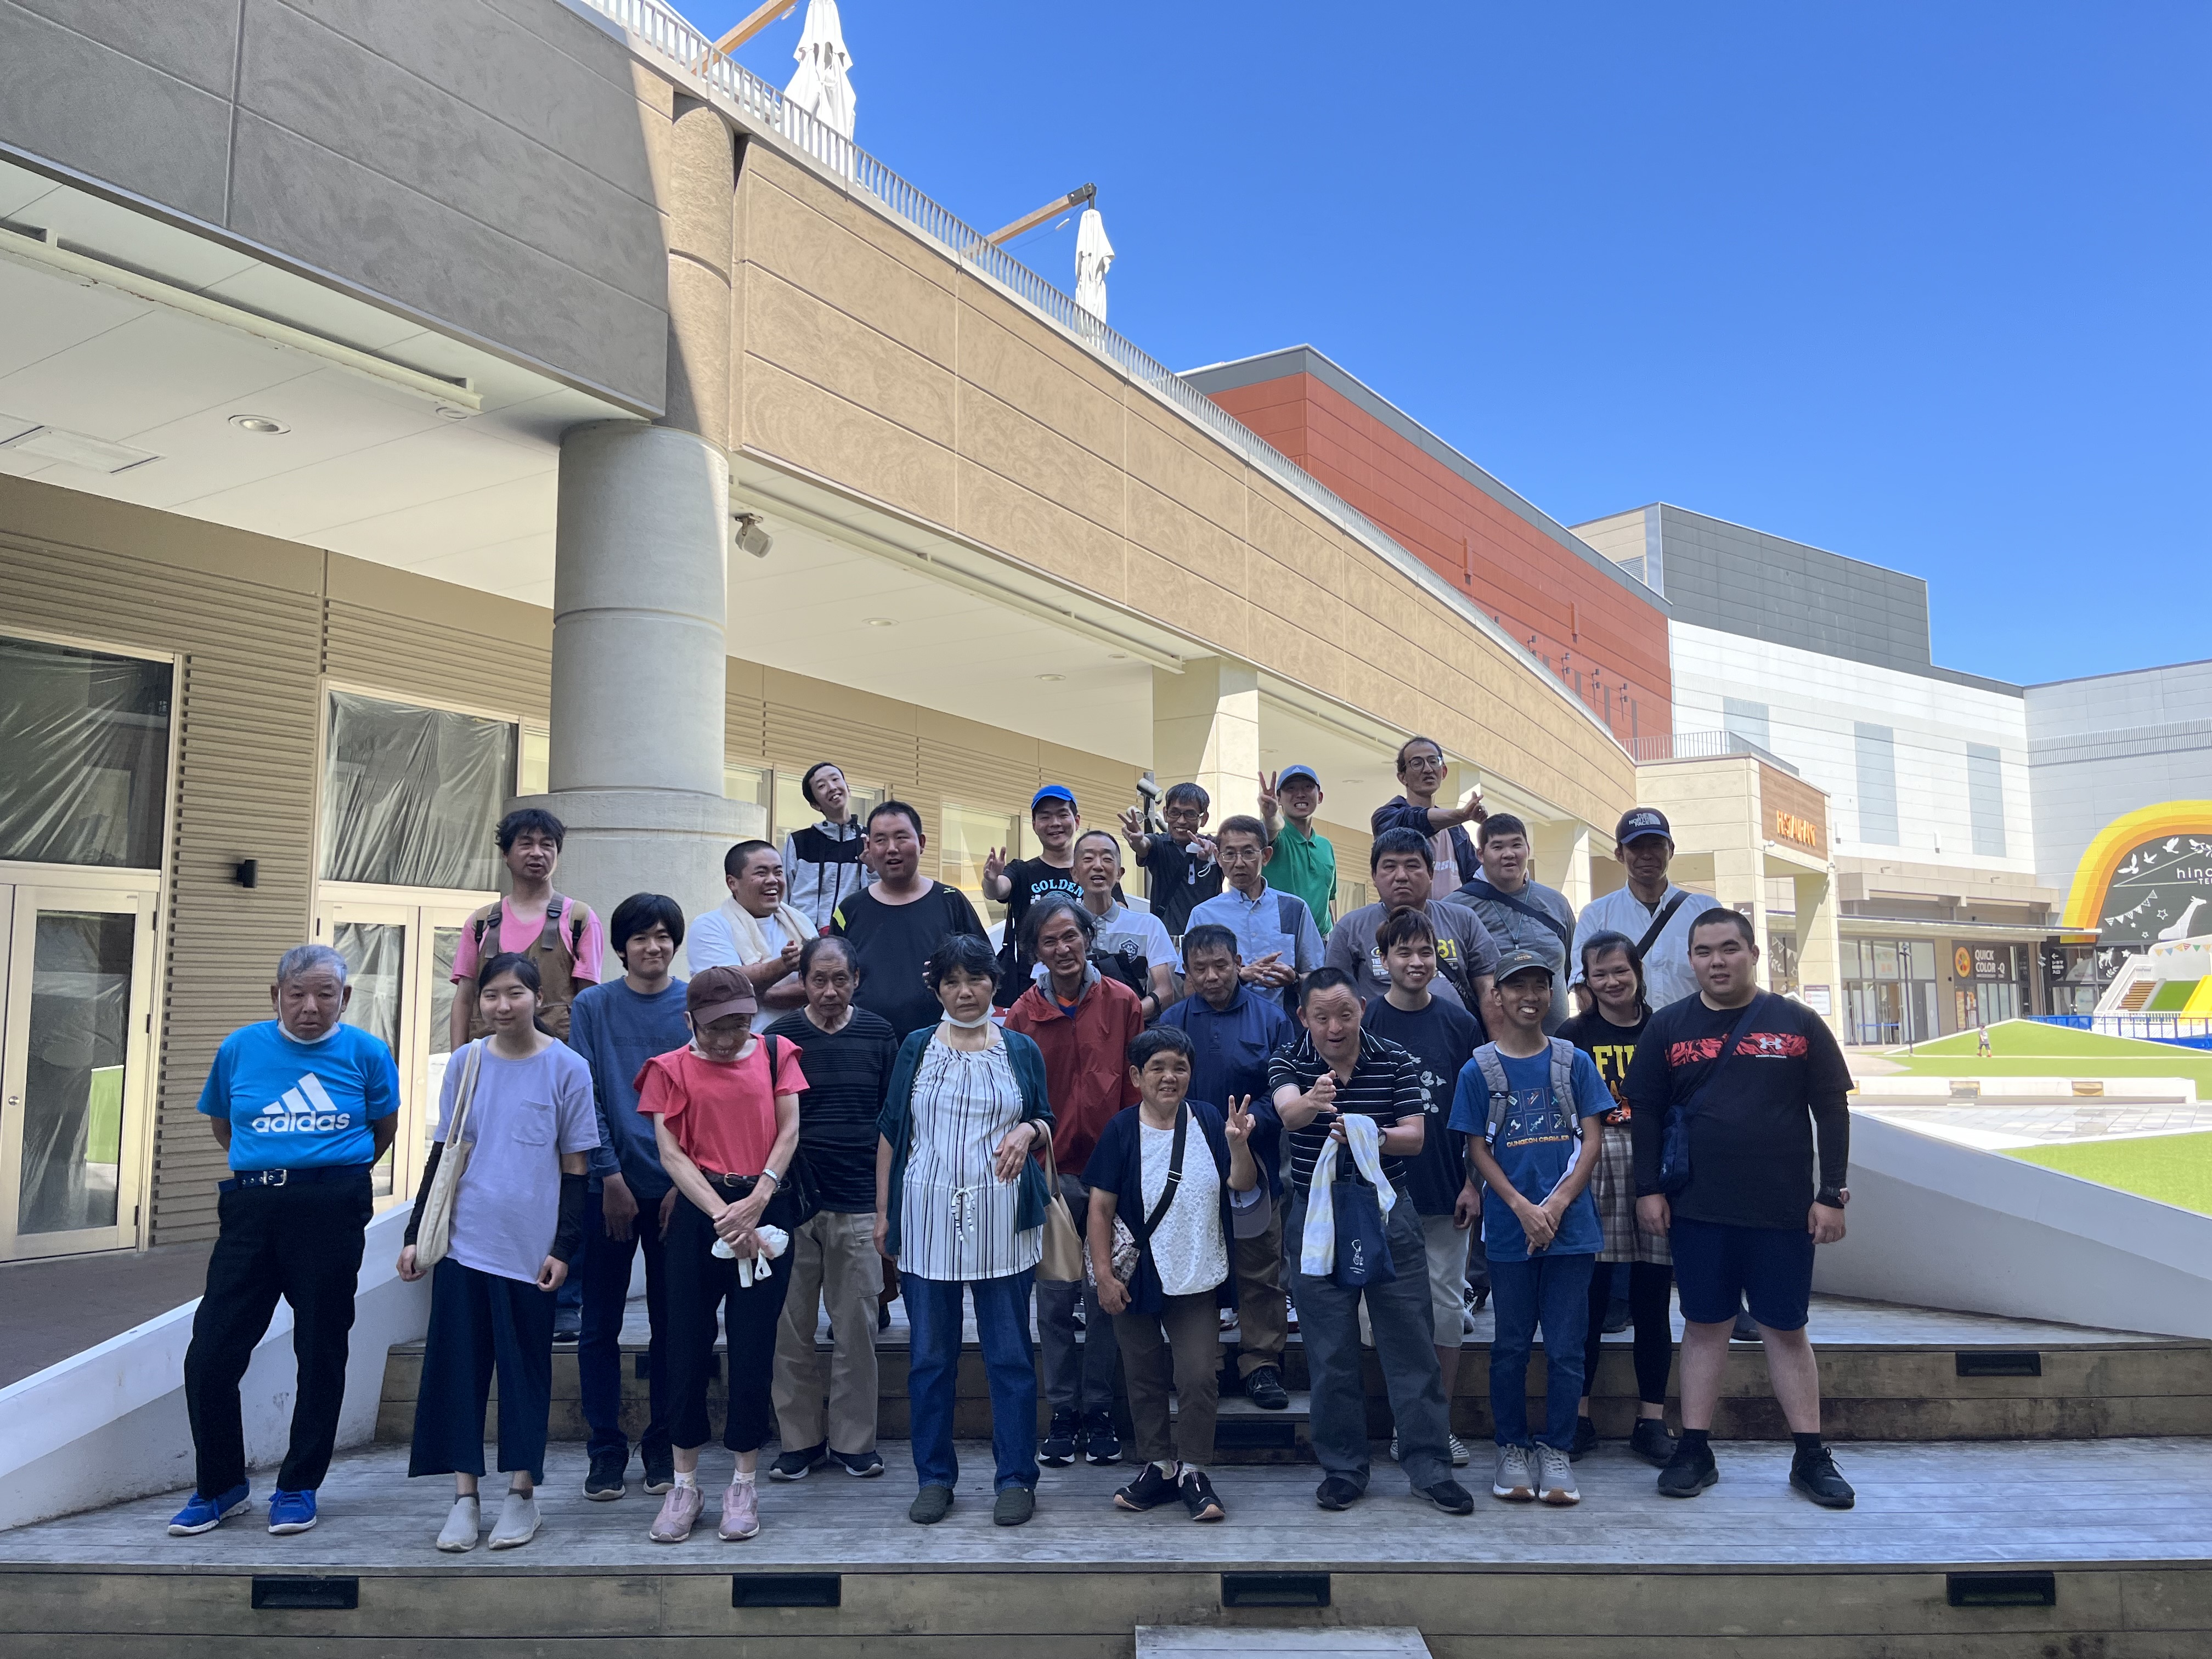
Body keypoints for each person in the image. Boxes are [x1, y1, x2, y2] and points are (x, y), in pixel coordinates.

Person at [1626, 911, 1857, 1510]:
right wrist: (1648, 1189)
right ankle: (1694, 1449)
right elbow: (1644, 1114)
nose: (1717, 961)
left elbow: (1832, 1110)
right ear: (1691, 960)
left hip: (1783, 1211)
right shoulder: (1668, 1028)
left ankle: (1811, 1455)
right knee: (1704, 1328)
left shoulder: (1798, 1023)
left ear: (1754, 953)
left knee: (1786, 1330)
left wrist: (1831, 1193)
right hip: (1698, 1209)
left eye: (1730, 949)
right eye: (1704, 951)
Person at [169, 945, 400, 1539]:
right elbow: (225, 1125)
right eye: (297, 994)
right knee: (211, 1353)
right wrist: (273, 1171)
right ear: (276, 996)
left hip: (331, 1209)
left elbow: (384, 1130)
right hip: (251, 1210)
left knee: (320, 1350)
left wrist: (328, 1177)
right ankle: (220, 1486)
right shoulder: (239, 1048)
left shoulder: (368, 1053)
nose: (310, 1006)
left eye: (325, 994)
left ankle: (298, 1486)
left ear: (346, 998)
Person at [400, 953, 597, 1553]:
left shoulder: (568, 1068)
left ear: (538, 998)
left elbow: (577, 1169)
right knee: (457, 1373)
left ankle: (521, 1493)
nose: (502, 1005)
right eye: (491, 995)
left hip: (530, 1251)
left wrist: (564, 1247)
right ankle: (465, 1497)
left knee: (524, 1373)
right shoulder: (466, 1062)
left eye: (515, 993)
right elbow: (443, 1152)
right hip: (464, 1243)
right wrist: (415, 1234)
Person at [1268, 968, 1474, 1516]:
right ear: (1304, 1017)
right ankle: (1344, 1469)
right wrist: (1314, 1100)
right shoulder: (1289, 1060)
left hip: (1387, 1211)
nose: (1334, 1027)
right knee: (1330, 1349)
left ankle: (1429, 1466)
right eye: (1321, 1017)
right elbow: (1288, 1115)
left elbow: (1415, 1137)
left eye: (1344, 1014)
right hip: (1316, 1214)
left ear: (1362, 1008)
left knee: (1411, 1340)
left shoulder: (1395, 1058)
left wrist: (1370, 1133)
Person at [876, 934, 1057, 1528]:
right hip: (925, 1216)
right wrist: (884, 1214)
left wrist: (1029, 1130)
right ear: (937, 989)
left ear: (994, 983)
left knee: (1010, 1357)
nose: (964, 991)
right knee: (930, 1359)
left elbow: (1046, 1118)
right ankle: (934, 1478)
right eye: (951, 981)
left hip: (1003, 1220)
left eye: (975, 978)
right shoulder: (916, 1047)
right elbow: (892, 1130)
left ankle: (1016, 1478)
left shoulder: (1020, 1048)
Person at [640, 967, 806, 1545]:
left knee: (754, 1345)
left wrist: (758, 1199)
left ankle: (743, 1480)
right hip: (700, 1212)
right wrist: (724, 1215)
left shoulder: (777, 1055)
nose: (727, 1037)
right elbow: (672, 1154)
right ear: (690, 1021)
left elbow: (789, 1131)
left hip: (766, 1204)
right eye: (714, 1027)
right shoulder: (669, 1068)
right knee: (684, 1345)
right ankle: (685, 1483)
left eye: (738, 1023)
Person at [1088, 1027, 1265, 1524]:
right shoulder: (1121, 1130)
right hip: (1137, 1275)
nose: (1170, 1077)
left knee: (1198, 1376)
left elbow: (1242, 1183)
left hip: (1198, 1271)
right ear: (1136, 1076)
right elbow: (1099, 1209)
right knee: (1142, 1375)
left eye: (1180, 1068)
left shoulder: (1208, 1120)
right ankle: (1158, 1465)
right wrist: (1103, 1275)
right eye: (1158, 1068)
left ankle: (1194, 1469)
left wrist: (1238, 1145)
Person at [1451, 950, 1607, 1509]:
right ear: (1497, 995)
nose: (1530, 997)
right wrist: (1522, 1208)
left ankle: (1557, 1448)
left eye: (1540, 985)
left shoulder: (1573, 1063)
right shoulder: (1479, 1070)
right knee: (1511, 1345)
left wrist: (1557, 1205)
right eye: (1517, 987)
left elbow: (1592, 1137)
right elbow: (1476, 1148)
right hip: (1509, 1229)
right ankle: (1511, 1447)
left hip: (1572, 1228)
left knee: (1566, 1347)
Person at [1005, 896, 1146, 1468]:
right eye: (1049, 941)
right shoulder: (1023, 1014)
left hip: (1110, 1174)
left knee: (1106, 1294)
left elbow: (1134, 1090)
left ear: (1089, 938)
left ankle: (1100, 1409)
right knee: (1056, 1300)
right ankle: (1063, 1411)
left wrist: (1131, 1164)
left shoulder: (1123, 1002)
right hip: (1051, 1175)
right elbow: (1015, 1100)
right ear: (1034, 952)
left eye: (1071, 936)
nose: (1063, 949)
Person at [565, 894, 693, 1502]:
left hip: (679, 1192)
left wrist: (682, 1185)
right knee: (600, 1326)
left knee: (675, 1325)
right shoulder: (593, 1006)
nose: (653, 947)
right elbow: (584, 1092)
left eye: (664, 936)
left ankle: (663, 1445)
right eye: (641, 937)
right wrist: (609, 1177)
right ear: (620, 947)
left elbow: (703, 1096)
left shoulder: (692, 1004)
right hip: (606, 1189)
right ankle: (605, 1449)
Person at [765, 936, 899, 1480]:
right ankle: (799, 1441)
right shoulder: (777, 1041)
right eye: (818, 980)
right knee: (789, 1329)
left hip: (859, 1202)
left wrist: (887, 1207)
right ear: (802, 982)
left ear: (856, 980)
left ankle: (853, 1442)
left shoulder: (879, 1035)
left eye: (839, 979)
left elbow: (892, 1124)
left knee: (857, 1330)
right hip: (792, 1204)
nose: (828, 991)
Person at [1358, 907, 1482, 1467]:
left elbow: (1478, 1112)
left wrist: (1473, 1183)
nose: (1416, 962)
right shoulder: (1367, 1023)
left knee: (1446, 1309)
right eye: (1403, 952)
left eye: (1425, 952)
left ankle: (1437, 1423)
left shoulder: (1460, 1023)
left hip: (1447, 1190)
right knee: (1383, 1313)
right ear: (1383, 961)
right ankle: (1404, 1421)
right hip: (1381, 1194)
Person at [1156, 924, 1295, 1410]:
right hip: (1186, 1162)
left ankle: (1262, 1364)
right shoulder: (1172, 1023)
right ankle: (1204, 1364)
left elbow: (1287, 1092)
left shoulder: (1271, 1020)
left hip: (1255, 1158)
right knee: (1195, 1264)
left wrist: (1254, 1121)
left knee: (1260, 1267)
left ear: (1239, 964)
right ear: (1187, 973)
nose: (1212, 977)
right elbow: (1155, 1092)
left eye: (1221, 965)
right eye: (1200, 969)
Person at [1555, 931, 1677, 1468]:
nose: (1611, 982)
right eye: (1599, 974)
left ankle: (1652, 1420)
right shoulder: (1573, 1034)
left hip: (1653, 1167)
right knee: (1589, 1298)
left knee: (1652, 1300)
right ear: (1585, 981)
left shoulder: (1662, 1029)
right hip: (1593, 1163)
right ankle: (1578, 1417)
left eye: (1620, 971)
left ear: (1638, 973)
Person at [831, 802, 989, 1041]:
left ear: (921, 843)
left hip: (942, 1044)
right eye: (881, 840)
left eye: (901, 837)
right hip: (865, 1044)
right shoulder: (849, 909)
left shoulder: (951, 901)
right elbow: (834, 977)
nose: (892, 849)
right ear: (869, 847)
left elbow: (985, 970)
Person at [449, 808, 606, 1047]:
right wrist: (458, 1059)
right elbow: (464, 998)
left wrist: (587, 1063)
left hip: (556, 1061)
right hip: (488, 1060)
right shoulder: (480, 923)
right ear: (506, 853)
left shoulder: (579, 919)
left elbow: (590, 1001)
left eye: (547, 845)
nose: (537, 853)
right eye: (526, 844)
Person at [1325, 828, 1500, 1014]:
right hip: (1380, 1032)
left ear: (1431, 874)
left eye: (1412, 866)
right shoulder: (1350, 928)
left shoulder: (1464, 919)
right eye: (1390, 867)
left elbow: (1489, 988)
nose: (1401, 876)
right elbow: (1336, 996)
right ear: (1374, 876)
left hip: (1457, 1031)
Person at [1568, 809, 1726, 1013]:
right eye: (1635, 846)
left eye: (1656, 845)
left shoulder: (1705, 910)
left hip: (1695, 1031)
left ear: (1671, 849)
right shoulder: (1596, 915)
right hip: (1626, 1033)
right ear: (1619, 854)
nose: (1646, 855)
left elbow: (1726, 977)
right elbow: (1582, 985)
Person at [1448, 812, 1577, 1034]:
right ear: (1481, 854)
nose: (1509, 854)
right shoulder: (1455, 908)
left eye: (1516, 845)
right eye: (1498, 847)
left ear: (1528, 849)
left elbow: (1569, 969)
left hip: (1556, 1042)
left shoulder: (1557, 903)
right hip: (1486, 1043)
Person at [1183, 815, 1325, 1007]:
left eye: (1248, 853)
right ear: (1218, 857)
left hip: (1284, 1021)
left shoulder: (1294, 909)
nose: (1239, 863)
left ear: (1266, 856)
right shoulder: (1203, 915)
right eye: (1229, 854)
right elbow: (1190, 988)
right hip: (1221, 1021)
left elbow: (1319, 980)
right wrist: (1239, 976)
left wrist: (1295, 980)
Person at [983, 785, 1087, 1003]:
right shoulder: (1022, 871)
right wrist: (991, 880)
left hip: (1085, 982)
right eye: (1045, 817)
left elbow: (1115, 912)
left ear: (1077, 821)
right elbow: (997, 890)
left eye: (1062, 815)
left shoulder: (1091, 872)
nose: (1055, 823)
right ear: (1034, 825)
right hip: (1031, 987)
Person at [685, 840, 814, 1011]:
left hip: (797, 1028)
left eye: (778, 872)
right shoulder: (709, 926)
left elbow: (819, 985)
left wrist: (765, 995)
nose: (773, 880)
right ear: (732, 883)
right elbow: (724, 983)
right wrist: (784, 964)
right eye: (761, 873)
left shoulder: (800, 923)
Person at [1073, 827, 1177, 1018]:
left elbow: (1165, 992)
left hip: (1133, 1027)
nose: (1098, 866)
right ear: (1074, 874)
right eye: (1088, 859)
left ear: (1119, 874)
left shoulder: (1149, 926)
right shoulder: (1062, 927)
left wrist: (1127, 1018)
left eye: (1107, 859)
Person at [1370, 736, 1486, 895]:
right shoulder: (1387, 817)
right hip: (1404, 912)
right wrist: (1462, 815)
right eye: (1417, 763)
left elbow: (1477, 881)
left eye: (1433, 761)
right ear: (1403, 777)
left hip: (1451, 912)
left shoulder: (1458, 833)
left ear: (1443, 772)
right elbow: (1416, 820)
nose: (1428, 769)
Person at [781, 761, 876, 933]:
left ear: (848, 789)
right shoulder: (799, 841)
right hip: (806, 936)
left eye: (835, 779)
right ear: (815, 804)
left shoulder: (869, 839)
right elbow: (784, 894)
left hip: (855, 936)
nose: (832, 787)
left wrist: (873, 868)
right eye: (822, 786)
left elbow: (884, 892)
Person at [1120, 781, 1223, 938]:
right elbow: (1144, 846)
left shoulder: (1216, 847)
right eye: (1175, 813)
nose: (1181, 821)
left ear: (1204, 818)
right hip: (1167, 943)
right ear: (1166, 814)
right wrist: (1137, 841)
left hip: (1210, 942)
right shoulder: (1159, 844)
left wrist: (1217, 856)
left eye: (1190, 814)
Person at [1259, 766, 1337, 936]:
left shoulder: (1326, 846)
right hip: (1280, 939)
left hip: (1321, 942)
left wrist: (1336, 939)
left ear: (1320, 796)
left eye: (1307, 787)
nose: (1300, 794)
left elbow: (1328, 902)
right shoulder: (1277, 837)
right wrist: (1270, 816)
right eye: (1291, 788)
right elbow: (1271, 829)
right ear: (1279, 799)